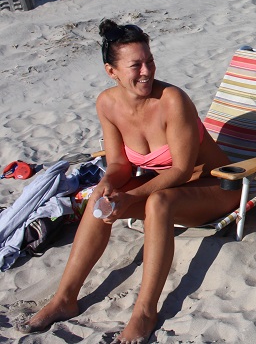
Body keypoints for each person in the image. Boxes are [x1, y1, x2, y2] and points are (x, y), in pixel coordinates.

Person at [19, 20, 242, 343]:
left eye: (149, 61)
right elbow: (120, 164)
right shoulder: (107, 104)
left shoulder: (171, 100)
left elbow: (180, 170)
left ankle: (145, 312)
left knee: (158, 201)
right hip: (166, 189)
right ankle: (64, 299)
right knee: (100, 197)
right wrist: (110, 184)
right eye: (135, 65)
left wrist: (131, 195)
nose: (146, 71)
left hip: (215, 187)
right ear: (112, 72)